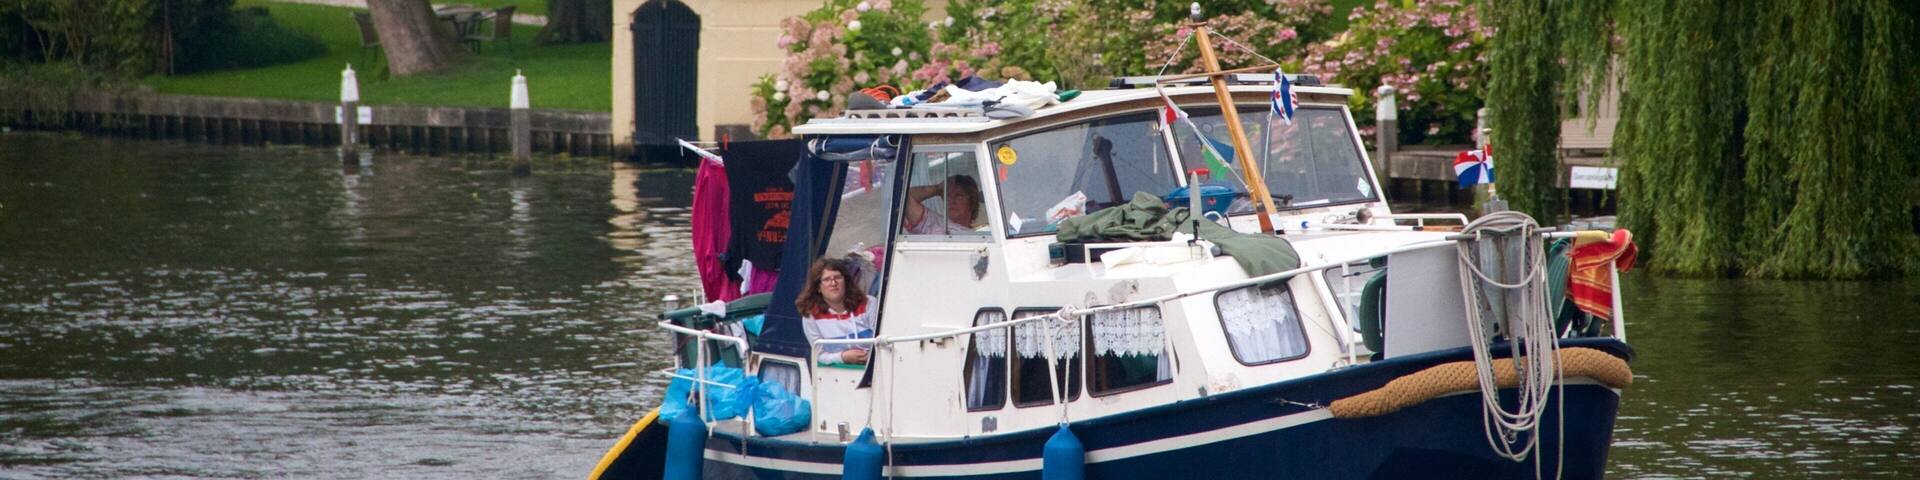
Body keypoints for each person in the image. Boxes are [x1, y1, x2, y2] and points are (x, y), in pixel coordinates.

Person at [796, 258, 878, 365]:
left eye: (838, 277)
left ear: (846, 281)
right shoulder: (811, 316)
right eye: (826, 279)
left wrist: (869, 356)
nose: (833, 283)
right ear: (818, 287)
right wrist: (843, 357)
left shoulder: (869, 303)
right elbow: (820, 355)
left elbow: (880, 342)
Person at [902, 174, 984, 235]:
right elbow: (904, 197)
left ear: (972, 201)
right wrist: (938, 188)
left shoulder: (974, 237)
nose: (952, 201)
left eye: (958, 196)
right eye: (948, 196)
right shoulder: (935, 222)